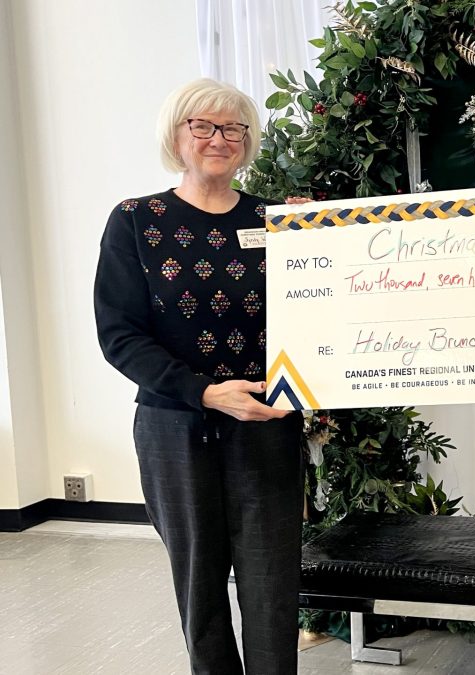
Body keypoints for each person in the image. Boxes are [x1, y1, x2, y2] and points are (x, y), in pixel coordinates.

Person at [94, 78, 302, 674]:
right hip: (174, 428)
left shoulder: (279, 224)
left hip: (266, 422)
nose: (220, 138)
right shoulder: (136, 221)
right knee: (199, 584)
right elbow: (120, 335)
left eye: (233, 128)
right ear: (177, 136)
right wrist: (205, 392)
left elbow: (313, 316)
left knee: (271, 584)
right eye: (203, 127)